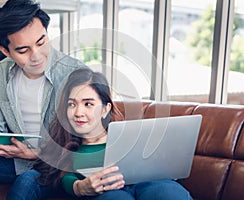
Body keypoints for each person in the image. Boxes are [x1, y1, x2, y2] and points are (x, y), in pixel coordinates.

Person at [0, 0, 86, 199]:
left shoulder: (76, 74)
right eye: (23, 50)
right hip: (16, 159)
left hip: (57, 166)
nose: (36, 56)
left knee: (27, 180)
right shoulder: (1, 73)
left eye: (41, 42)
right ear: (5, 50)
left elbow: (87, 143)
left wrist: (38, 154)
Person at [34, 68, 193, 200]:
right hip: (108, 193)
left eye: (88, 104)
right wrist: (79, 187)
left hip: (149, 185)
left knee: (167, 191)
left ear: (105, 109)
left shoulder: (132, 137)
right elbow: (64, 178)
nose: (78, 112)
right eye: (71, 104)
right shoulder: (66, 147)